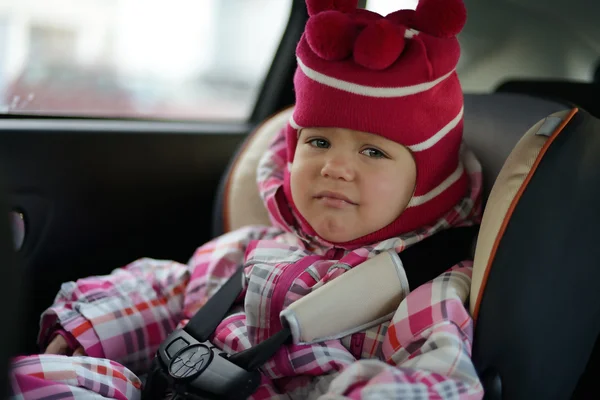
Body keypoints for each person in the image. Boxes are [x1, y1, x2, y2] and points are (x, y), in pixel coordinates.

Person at [10, 0, 485, 398]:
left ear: (427, 182)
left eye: (373, 151)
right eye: (318, 142)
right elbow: (172, 290)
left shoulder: (422, 286)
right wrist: (91, 328)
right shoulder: (255, 246)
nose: (335, 166)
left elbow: (438, 378)